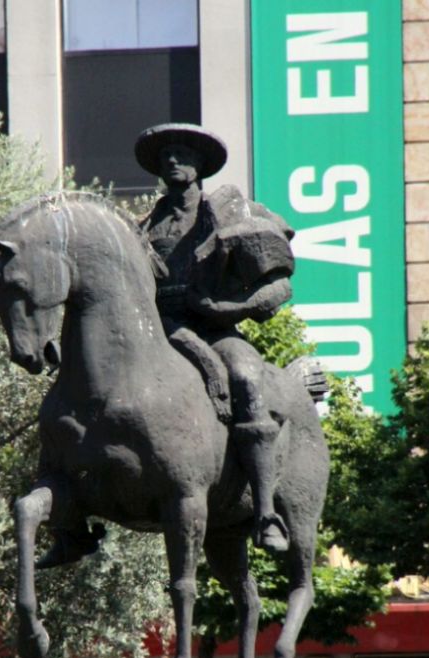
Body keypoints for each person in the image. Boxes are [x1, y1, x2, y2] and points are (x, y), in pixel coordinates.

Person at [135, 123, 295, 552]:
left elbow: (278, 280)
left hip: (213, 329)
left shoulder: (228, 211)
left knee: (245, 376)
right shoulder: (144, 225)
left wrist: (231, 308)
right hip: (155, 331)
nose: (172, 160)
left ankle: (265, 515)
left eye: (182, 153)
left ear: (200, 164)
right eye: (166, 154)